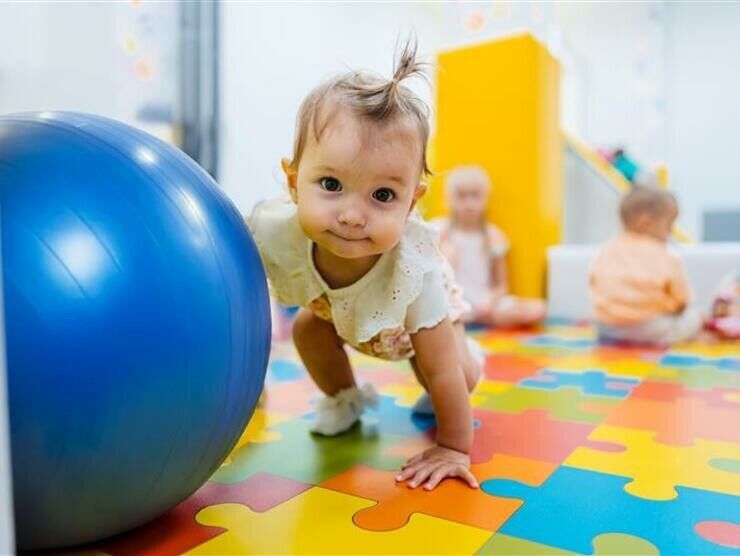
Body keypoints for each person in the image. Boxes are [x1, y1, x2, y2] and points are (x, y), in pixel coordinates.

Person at [247, 41, 481, 491]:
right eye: (331, 184)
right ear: (294, 182)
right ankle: (344, 399)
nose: (353, 216)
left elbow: (443, 370)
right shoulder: (274, 230)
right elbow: (238, 300)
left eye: (383, 196)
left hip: (413, 331)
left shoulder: (414, 274)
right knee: (306, 330)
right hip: (336, 317)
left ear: (412, 203)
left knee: (449, 374)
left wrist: (454, 446)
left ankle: (469, 371)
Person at [590, 187, 701, 345]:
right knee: (693, 317)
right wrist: (675, 309)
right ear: (646, 223)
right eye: (668, 226)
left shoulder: (607, 250)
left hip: (607, 329)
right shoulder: (665, 256)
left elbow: (595, 283)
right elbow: (681, 299)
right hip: (647, 330)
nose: (669, 233)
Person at [438, 165, 546, 328]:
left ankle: (476, 318)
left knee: (539, 308)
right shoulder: (441, 230)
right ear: (450, 199)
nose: (469, 203)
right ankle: (464, 316)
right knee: (447, 251)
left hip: (485, 301)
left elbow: (502, 285)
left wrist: (490, 302)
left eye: (475, 196)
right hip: (452, 299)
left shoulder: (492, 235)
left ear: (485, 198)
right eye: (461, 196)